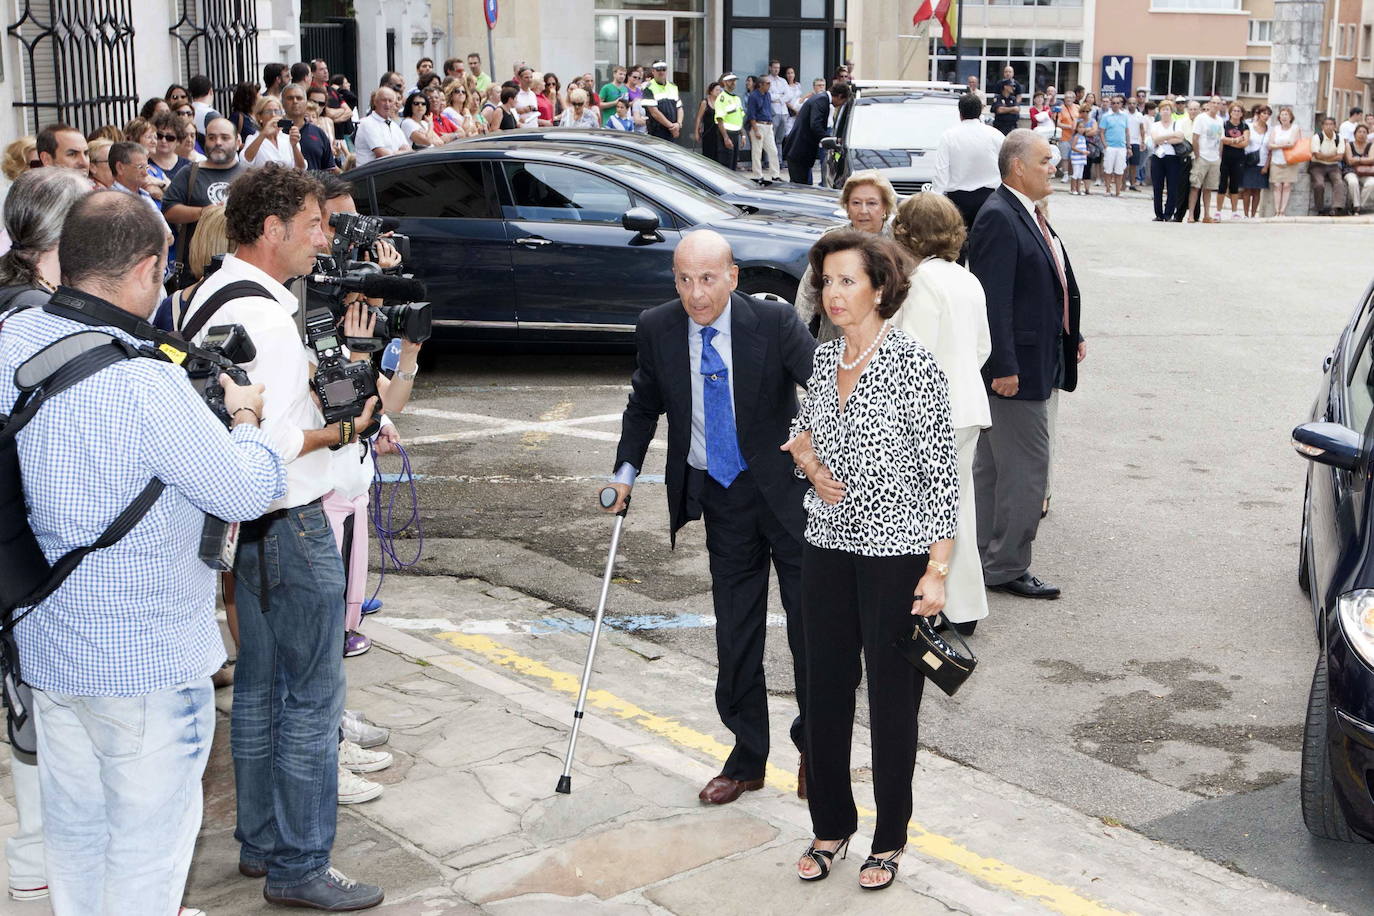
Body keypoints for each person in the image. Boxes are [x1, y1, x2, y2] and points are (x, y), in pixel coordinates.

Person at [0, 188, 284, 914]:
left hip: (48, 645)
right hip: (145, 662)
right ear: (147, 271)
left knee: (77, 835)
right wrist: (248, 419)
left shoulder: (11, 343)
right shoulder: (144, 382)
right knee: (144, 859)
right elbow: (246, 493)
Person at [179, 165, 385, 910]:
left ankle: (262, 844)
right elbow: (267, 439)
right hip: (290, 522)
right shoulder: (265, 314)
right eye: (314, 225)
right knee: (311, 700)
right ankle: (300, 865)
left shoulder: (213, 291)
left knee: (262, 692)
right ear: (272, 230)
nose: (324, 238)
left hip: (249, 527)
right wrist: (346, 427)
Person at [605, 229, 817, 806]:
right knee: (736, 633)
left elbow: (823, 389)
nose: (696, 294)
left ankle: (816, 753)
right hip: (723, 499)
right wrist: (624, 471)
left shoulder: (773, 325)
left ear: (733, 276)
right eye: (683, 279)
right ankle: (748, 758)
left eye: (707, 279)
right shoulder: (658, 327)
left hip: (791, 498)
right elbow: (644, 401)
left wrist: (822, 458)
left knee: (812, 634)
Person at [782, 230, 957, 890]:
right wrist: (809, 466)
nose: (832, 294)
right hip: (825, 548)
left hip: (895, 556)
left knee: (892, 704)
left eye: (847, 281)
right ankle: (830, 825)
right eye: (826, 282)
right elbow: (806, 444)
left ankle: (889, 838)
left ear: (880, 289)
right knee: (822, 691)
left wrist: (935, 573)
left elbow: (942, 475)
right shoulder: (824, 361)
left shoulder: (914, 364)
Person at [0, 166, 95, 905]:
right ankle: (60, 869)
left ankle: (33, 857)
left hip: (19, 548)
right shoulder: (36, 317)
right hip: (30, 551)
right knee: (51, 721)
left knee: (30, 708)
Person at [967, 129, 1085, 600]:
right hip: (1015, 371)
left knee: (993, 469)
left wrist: (1068, 333)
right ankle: (1006, 566)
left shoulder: (1026, 212)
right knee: (1026, 470)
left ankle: (978, 557)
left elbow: (1043, 285)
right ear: (1018, 167)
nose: (1052, 166)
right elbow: (993, 301)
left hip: (1035, 357)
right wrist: (1003, 366)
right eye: (1044, 161)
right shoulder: (999, 216)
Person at [891, 193, 990, 634]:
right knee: (957, 509)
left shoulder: (921, 282)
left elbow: (912, 353)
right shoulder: (966, 279)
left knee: (932, 513)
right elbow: (982, 348)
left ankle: (943, 603)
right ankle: (964, 607)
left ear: (906, 234)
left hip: (933, 413)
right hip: (968, 406)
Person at [795, 170, 898, 343]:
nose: (863, 211)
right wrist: (798, 337)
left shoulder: (898, 243)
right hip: (838, 342)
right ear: (847, 207)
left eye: (872, 203)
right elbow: (808, 291)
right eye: (856, 203)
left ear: (885, 208)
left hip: (887, 345)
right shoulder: (832, 240)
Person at [163, 117, 246, 261]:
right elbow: (169, 211)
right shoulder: (189, 173)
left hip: (240, 262)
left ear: (237, 142)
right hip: (195, 267)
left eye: (225, 138)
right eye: (212, 138)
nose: (218, 142)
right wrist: (203, 212)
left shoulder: (249, 176)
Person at [934, 93, 1005, 231]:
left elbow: (941, 169)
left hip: (958, 200)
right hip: (990, 199)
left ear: (960, 113)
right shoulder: (995, 135)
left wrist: (937, 198)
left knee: (957, 244)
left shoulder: (949, 136)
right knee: (986, 242)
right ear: (980, 111)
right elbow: (1006, 165)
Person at [784, 81, 850, 185]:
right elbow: (815, 125)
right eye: (843, 101)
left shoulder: (821, 99)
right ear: (840, 96)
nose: (840, 105)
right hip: (799, 150)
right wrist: (830, 140)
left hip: (802, 151)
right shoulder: (821, 100)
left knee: (802, 184)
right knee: (799, 187)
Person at [243, 95, 306, 169]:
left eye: (277, 111)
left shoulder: (287, 139)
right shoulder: (253, 139)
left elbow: (301, 168)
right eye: (268, 112)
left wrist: (294, 146)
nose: (273, 115)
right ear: (260, 117)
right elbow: (245, 162)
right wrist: (263, 134)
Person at [1187, 97, 1223, 222]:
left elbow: (1220, 140)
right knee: (1195, 186)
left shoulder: (1220, 120)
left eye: (1218, 103)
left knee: (1209, 188)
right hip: (1202, 156)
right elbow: (1195, 138)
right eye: (1213, 102)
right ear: (1209, 104)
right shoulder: (1201, 118)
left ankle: (1207, 215)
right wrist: (1197, 155)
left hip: (1214, 158)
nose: (1215, 105)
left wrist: (1219, 156)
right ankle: (1191, 214)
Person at [1149, 99, 1187, 222]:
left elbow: (1180, 138)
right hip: (1158, 157)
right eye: (1163, 109)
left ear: (1171, 111)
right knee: (1157, 186)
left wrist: (1163, 139)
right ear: (1159, 111)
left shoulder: (1177, 123)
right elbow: (1155, 139)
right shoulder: (1155, 125)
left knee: (1172, 186)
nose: (1165, 112)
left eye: (1167, 109)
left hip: (1173, 157)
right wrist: (1170, 136)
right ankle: (1158, 213)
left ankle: (1168, 213)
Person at [354, 88, 409, 165]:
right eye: (384, 100)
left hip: (390, 170)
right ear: (375, 102)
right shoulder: (367, 123)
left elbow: (408, 149)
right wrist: (400, 153)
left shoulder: (394, 125)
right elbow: (382, 154)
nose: (387, 104)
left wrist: (395, 153)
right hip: (370, 173)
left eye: (390, 101)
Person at [1216, 102, 1249, 219]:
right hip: (1225, 158)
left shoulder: (1244, 126)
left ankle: (1234, 211)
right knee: (1222, 184)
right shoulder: (1224, 124)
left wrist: (1230, 142)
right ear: (1230, 112)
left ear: (1242, 114)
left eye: (1238, 111)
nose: (1236, 113)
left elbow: (1245, 143)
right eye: (1234, 111)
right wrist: (1236, 140)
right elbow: (1222, 140)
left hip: (1238, 159)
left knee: (1235, 185)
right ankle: (1218, 211)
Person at [746, 74, 781, 183]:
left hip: (768, 125)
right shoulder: (753, 96)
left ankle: (775, 175)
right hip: (758, 124)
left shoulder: (768, 95)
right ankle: (758, 175)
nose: (769, 85)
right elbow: (751, 114)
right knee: (757, 151)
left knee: (773, 151)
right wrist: (755, 130)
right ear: (761, 84)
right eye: (768, 83)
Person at [1268, 106, 1302, 217]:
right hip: (1276, 160)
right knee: (1277, 185)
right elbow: (1269, 145)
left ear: (1291, 117)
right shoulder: (1276, 129)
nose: (1284, 117)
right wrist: (1283, 145)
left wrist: (1277, 145)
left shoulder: (1295, 128)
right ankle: (1276, 210)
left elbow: (1292, 143)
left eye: (1286, 115)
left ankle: (1282, 211)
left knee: (1287, 185)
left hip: (1290, 161)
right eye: (1282, 115)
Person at [1310, 116, 1347, 215]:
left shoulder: (1339, 138)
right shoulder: (1317, 137)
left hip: (1333, 166)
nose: (1329, 127)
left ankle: (1336, 208)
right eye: (1326, 124)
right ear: (1322, 126)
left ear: (1335, 126)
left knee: (1339, 182)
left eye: (1331, 124)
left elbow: (1340, 157)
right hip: (1317, 165)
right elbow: (1317, 155)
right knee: (1319, 184)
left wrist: (1324, 156)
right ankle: (1320, 209)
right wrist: (1331, 156)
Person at [1241, 105, 1270, 218]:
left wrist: (1266, 166)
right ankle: (1245, 214)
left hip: (1262, 161)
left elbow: (1270, 150)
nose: (1265, 116)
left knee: (1257, 190)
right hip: (1249, 161)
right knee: (1247, 189)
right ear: (1258, 114)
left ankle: (1253, 214)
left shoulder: (1270, 129)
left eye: (1268, 114)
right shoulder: (1249, 127)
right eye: (1263, 113)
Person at [1097, 96, 1130, 196]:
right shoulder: (1106, 116)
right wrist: (1105, 145)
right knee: (1108, 169)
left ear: (1121, 104)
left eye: (1118, 103)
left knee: (1120, 170)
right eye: (1114, 103)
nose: (1116, 105)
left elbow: (1127, 132)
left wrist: (1129, 146)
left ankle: (1118, 192)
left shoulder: (1125, 116)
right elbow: (1101, 132)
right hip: (1110, 146)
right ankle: (1107, 190)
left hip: (1121, 147)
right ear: (1111, 104)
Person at [714, 73, 745, 170]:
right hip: (727, 134)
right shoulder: (721, 98)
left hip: (735, 135)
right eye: (731, 80)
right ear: (725, 82)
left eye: (734, 80)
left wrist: (743, 135)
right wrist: (726, 138)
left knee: (733, 164)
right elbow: (719, 119)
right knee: (726, 165)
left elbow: (740, 117)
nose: (733, 83)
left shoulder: (737, 98)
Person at [1344, 123, 1374, 214]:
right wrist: (1365, 159)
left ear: (1367, 134)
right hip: (1350, 171)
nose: (1362, 134)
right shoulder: (1349, 145)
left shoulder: (1371, 145)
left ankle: (1358, 206)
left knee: (1371, 183)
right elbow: (1349, 161)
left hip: (1366, 172)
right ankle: (1356, 206)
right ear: (1355, 134)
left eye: (1364, 132)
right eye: (1359, 132)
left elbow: (1372, 160)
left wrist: (1358, 159)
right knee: (1353, 182)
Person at [693, 82, 722, 160]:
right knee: (708, 154)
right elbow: (699, 118)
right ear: (711, 91)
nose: (719, 92)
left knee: (718, 154)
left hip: (719, 132)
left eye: (720, 90)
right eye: (717, 90)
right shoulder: (705, 102)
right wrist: (696, 132)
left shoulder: (721, 102)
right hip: (708, 132)